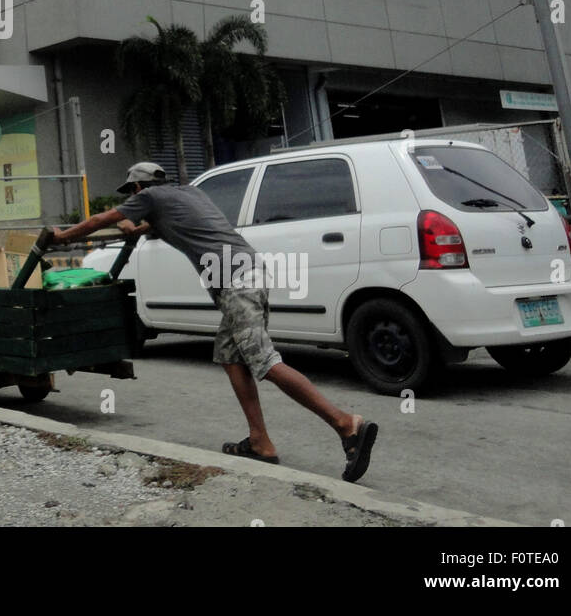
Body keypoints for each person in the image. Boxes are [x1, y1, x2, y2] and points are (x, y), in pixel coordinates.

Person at [51, 162, 379, 483]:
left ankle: (345, 424)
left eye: (132, 193)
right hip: (248, 275)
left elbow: (99, 220)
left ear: (138, 188)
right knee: (229, 356)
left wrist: (62, 236)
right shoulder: (190, 194)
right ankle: (259, 441)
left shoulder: (149, 199)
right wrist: (134, 227)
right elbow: (156, 226)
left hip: (236, 284)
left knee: (264, 361)